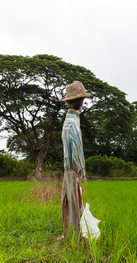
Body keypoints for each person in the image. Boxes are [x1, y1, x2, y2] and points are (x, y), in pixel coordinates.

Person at [58, 81, 93, 241]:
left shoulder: (68, 121)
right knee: (75, 205)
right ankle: (77, 240)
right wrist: (82, 173)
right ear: (81, 102)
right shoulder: (73, 123)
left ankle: (68, 236)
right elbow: (77, 150)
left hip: (67, 169)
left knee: (68, 205)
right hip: (73, 171)